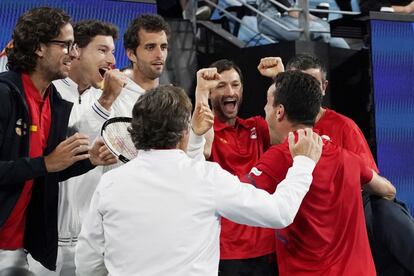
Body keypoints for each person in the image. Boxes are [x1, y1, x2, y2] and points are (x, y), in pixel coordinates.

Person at [75, 76, 323, 275]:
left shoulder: (110, 183)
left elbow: (88, 262)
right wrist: (303, 162)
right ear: (184, 132)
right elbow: (280, 212)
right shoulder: (208, 178)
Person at [243, 71, 396, 275]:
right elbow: (388, 190)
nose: (264, 109)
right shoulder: (348, 158)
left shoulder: (279, 158)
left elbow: (236, 200)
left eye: (267, 104)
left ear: (279, 111)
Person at [0, 7, 115, 271]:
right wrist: (46, 164)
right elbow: (45, 164)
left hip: (23, 248)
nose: (73, 53)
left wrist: (88, 160)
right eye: (66, 45)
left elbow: (49, 169)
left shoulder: (55, 103)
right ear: (39, 47)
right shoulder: (4, 94)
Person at [26, 20, 124, 276]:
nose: (112, 59)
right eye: (102, 50)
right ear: (76, 51)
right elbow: (70, 142)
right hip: (42, 244)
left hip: (89, 242)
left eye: (113, 51)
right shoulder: (50, 92)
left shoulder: (106, 99)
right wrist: (106, 102)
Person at [204, 59, 276, 275]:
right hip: (226, 251)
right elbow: (201, 146)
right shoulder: (205, 134)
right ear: (209, 93)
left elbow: (290, 116)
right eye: (221, 86)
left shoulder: (257, 126)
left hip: (267, 247)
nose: (230, 91)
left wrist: (278, 78)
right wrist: (200, 92)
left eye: (235, 85)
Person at [256, 0, 349, 48]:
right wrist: (316, 20)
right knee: (320, 29)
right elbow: (291, 11)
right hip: (270, 20)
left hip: (286, 18)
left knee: (325, 27)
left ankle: (348, 54)